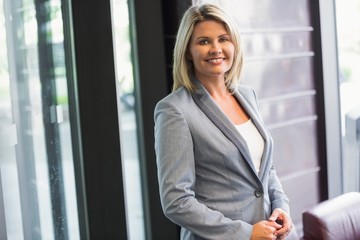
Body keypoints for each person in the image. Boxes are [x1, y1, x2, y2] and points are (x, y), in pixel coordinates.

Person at [154, 3, 298, 240]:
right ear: (188, 51)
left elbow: (265, 168)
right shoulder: (174, 110)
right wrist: (245, 233)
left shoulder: (248, 95)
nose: (216, 48)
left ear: (234, 44)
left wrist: (281, 206)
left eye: (223, 39)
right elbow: (176, 201)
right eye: (204, 41)